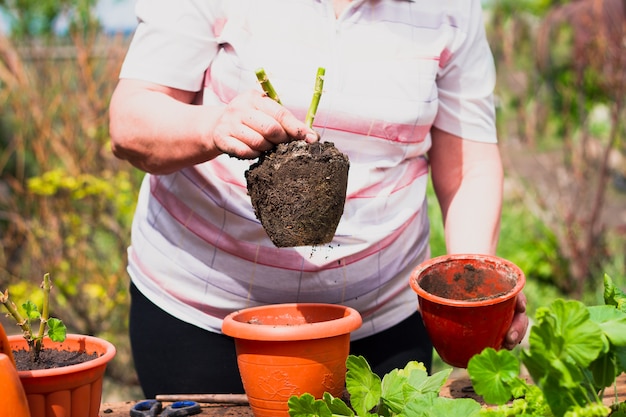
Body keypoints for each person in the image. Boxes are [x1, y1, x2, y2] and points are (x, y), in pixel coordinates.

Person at [109, 0, 529, 398]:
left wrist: (473, 286)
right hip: (203, 319)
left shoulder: (449, 9)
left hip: (378, 326)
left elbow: (468, 169)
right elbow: (132, 122)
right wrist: (214, 126)